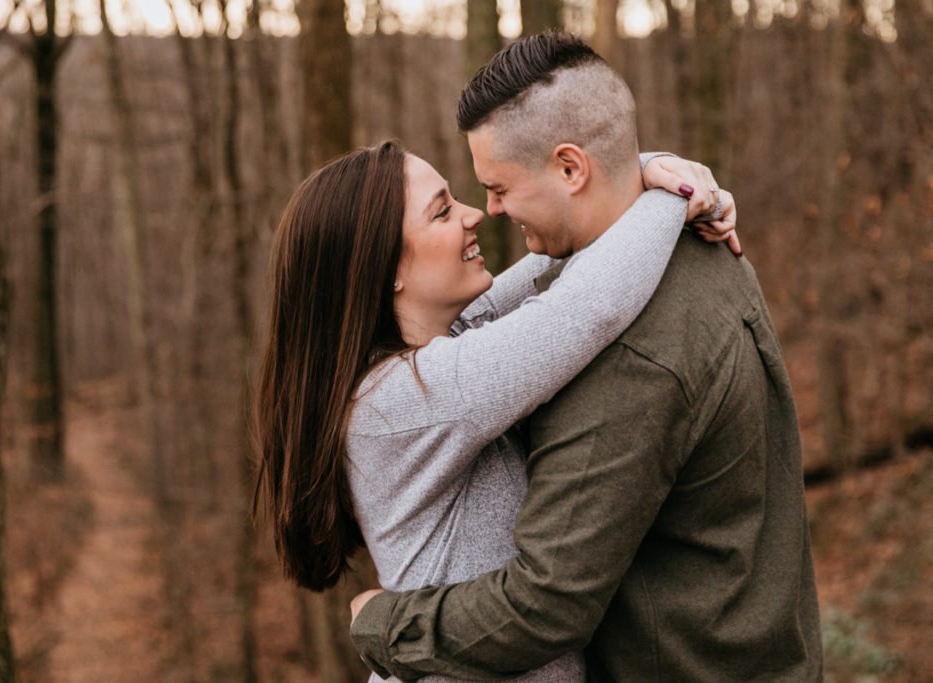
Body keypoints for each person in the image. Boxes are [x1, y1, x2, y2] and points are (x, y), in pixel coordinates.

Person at [349, 32, 823, 682]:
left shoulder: (625, 354)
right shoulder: (703, 249)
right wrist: (665, 185)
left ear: (571, 168)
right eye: (450, 205)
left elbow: (544, 604)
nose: (485, 211)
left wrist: (382, 623)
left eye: (498, 187)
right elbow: (568, 293)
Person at [255, 137, 734, 679]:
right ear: (387, 269)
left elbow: (566, 259)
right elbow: (589, 307)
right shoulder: (404, 399)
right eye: (442, 212)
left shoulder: (443, 344)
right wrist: (676, 197)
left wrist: (650, 171)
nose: (474, 215)